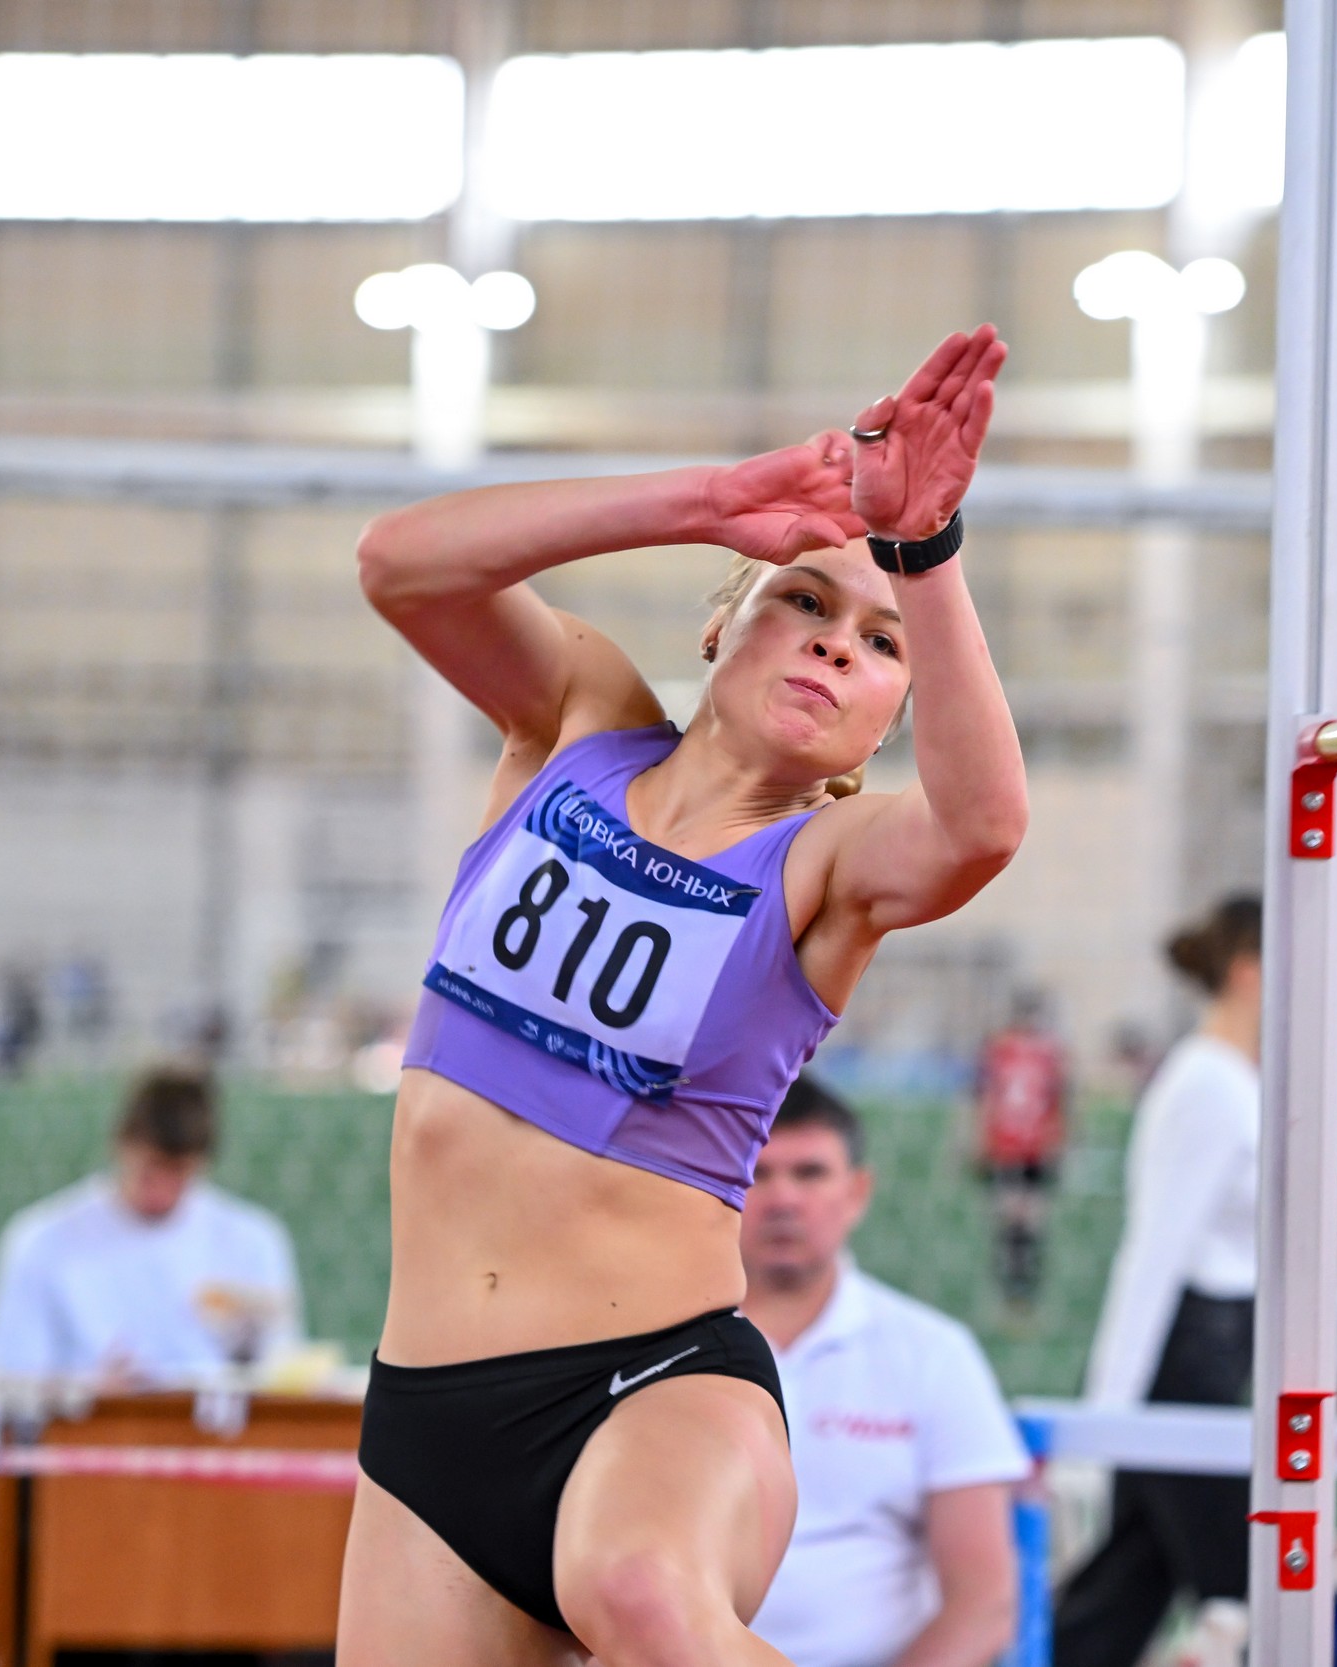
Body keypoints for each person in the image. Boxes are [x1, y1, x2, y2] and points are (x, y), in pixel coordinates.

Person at [337, 326, 1027, 1667]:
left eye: (880, 644)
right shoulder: (579, 724)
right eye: (804, 601)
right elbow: (399, 564)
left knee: (644, 1594)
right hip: (428, 1416)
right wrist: (710, 499)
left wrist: (925, 554)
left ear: (894, 713)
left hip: (652, 1383)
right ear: (722, 622)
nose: (836, 645)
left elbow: (981, 825)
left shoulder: (824, 863)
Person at [1056, 894, 1337, 1667]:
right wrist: (1105, 1419)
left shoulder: (1239, 1085)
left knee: (1116, 1606)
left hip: (1213, 1365)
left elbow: (1271, 1252)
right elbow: (1157, 1253)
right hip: (1185, 1376)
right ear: (1249, 970)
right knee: (1282, 1600)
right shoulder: (1206, 1087)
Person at [740, 1077, 1027, 1667]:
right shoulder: (653, 1350)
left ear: (857, 1193)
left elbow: (984, 1604)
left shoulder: (934, 1355)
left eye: (810, 1173)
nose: (783, 1198)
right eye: (757, 1173)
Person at [0, 1064, 301, 1380]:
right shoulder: (43, 1242)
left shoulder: (251, 1242)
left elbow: (280, 1374)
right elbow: (12, 1380)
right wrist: (94, 1393)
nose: (161, 1189)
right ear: (122, 1144)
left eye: (178, 1173)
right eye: (150, 1170)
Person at [974, 989, 1071, 1306]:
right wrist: (977, 1138)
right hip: (1009, 1146)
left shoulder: (1045, 1053)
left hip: (1032, 1146)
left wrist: (1061, 1140)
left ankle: (1023, 1290)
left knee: (1027, 1220)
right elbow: (984, 1096)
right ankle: (1011, 1290)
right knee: (1013, 1219)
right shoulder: (1001, 1050)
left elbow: (1060, 1099)